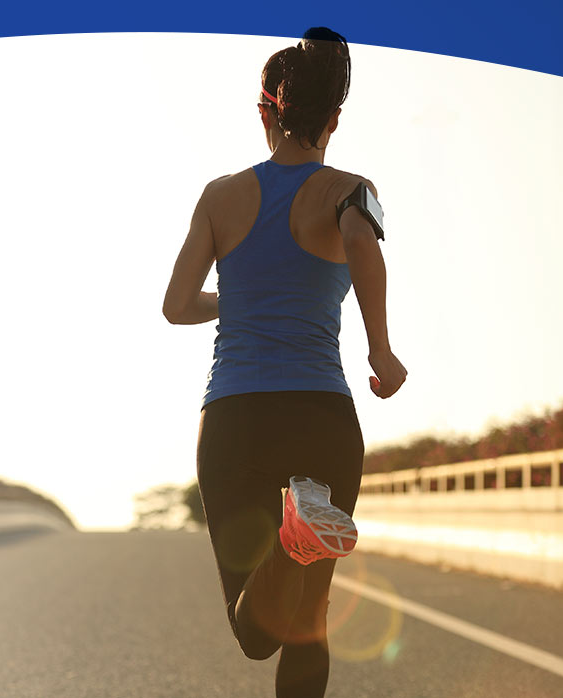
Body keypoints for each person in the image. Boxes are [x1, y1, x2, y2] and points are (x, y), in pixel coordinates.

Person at [161, 26, 406, 698]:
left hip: (237, 417)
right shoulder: (355, 188)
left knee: (256, 633)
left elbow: (176, 306)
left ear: (264, 111)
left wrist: (238, 297)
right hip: (321, 417)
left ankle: (295, 534)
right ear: (333, 120)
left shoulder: (219, 197)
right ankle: (303, 529)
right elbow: (363, 244)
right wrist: (379, 349)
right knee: (310, 620)